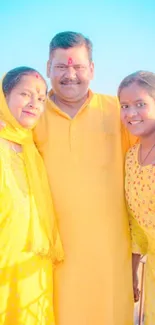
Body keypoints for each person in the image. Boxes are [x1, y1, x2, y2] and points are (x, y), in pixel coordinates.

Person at [34, 31, 137, 325]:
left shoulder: (119, 111)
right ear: (47, 68)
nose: (70, 75)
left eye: (78, 66)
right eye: (61, 67)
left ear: (92, 69)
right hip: (52, 258)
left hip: (110, 257)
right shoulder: (30, 115)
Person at [0, 66, 64, 325]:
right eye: (25, 94)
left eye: (41, 97)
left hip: (33, 267)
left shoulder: (32, 145)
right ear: (4, 96)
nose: (34, 103)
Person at [118, 70, 155, 325]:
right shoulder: (131, 158)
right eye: (125, 106)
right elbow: (136, 225)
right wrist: (132, 271)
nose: (131, 113)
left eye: (140, 104)